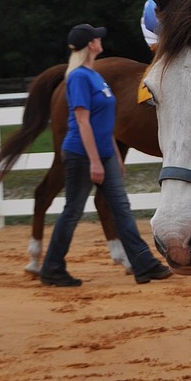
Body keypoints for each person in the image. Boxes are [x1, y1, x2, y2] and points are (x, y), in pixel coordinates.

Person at [40, 24, 171, 287]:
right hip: (81, 153)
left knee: (121, 208)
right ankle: (52, 267)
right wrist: (96, 160)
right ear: (90, 44)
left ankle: (144, 264)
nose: (101, 40)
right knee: (73, 210)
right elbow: (82, 121)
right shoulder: (77, 77)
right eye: (97, 38)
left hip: (104, 152)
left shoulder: (94, 75)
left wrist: (112, 153)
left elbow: (105, 119)